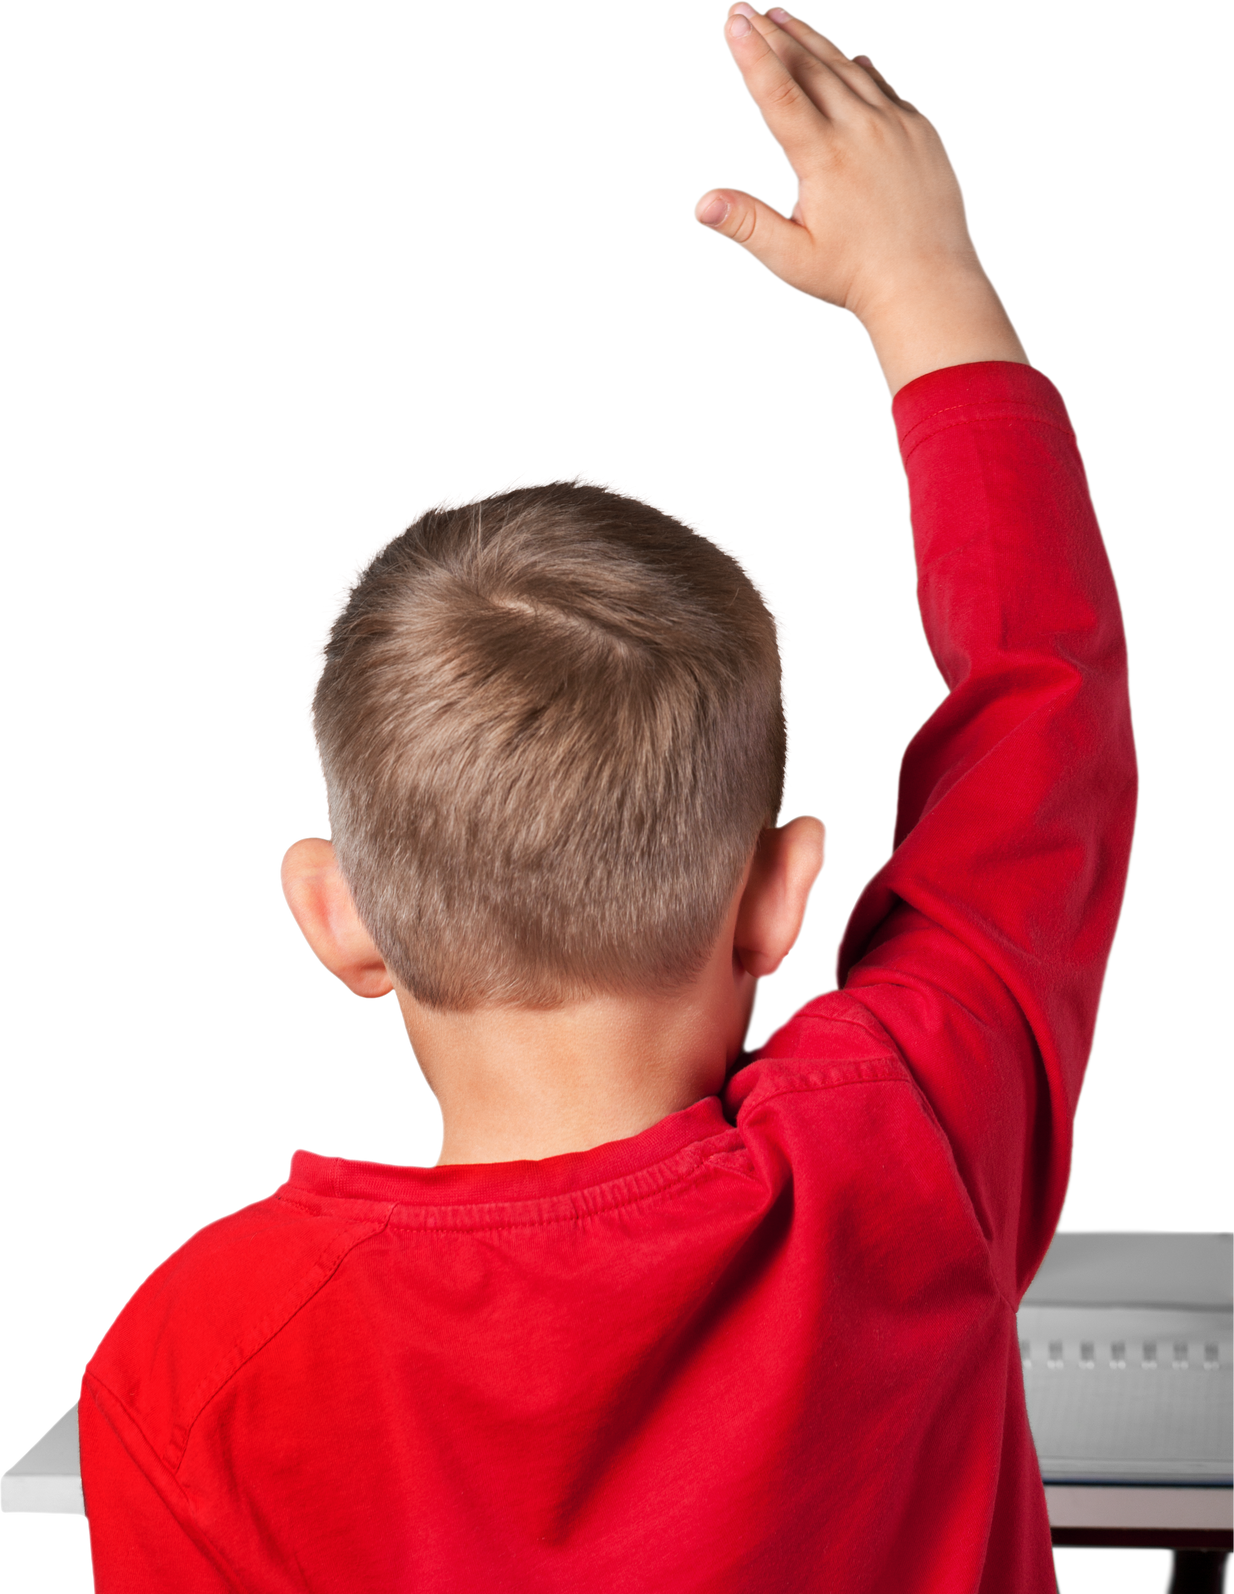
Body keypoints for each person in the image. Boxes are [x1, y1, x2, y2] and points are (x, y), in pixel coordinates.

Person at [77, 6, 1140, 1589]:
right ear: (787, 893)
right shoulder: (904, 1144)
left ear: (335, 913)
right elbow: (1047, 710)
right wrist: (926, 288)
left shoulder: (191, 1357)